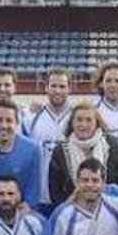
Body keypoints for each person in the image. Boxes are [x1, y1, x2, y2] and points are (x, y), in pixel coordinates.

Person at [48, 102, 118, 207]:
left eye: (89, 120)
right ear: (72, 123)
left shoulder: (111, 146)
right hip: (74, 210)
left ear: (97, 123)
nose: (83, 125)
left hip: (111, 208)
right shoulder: (60, 152)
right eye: (79, 120)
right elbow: (55, 190)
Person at [23, 67, 73, 216]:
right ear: (46, 88)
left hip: (69, 195)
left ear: (69, 89)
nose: (57, 90)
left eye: (62, 86)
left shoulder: (77, 118)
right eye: (53, 86)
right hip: (39, 196)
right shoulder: (31, 117)